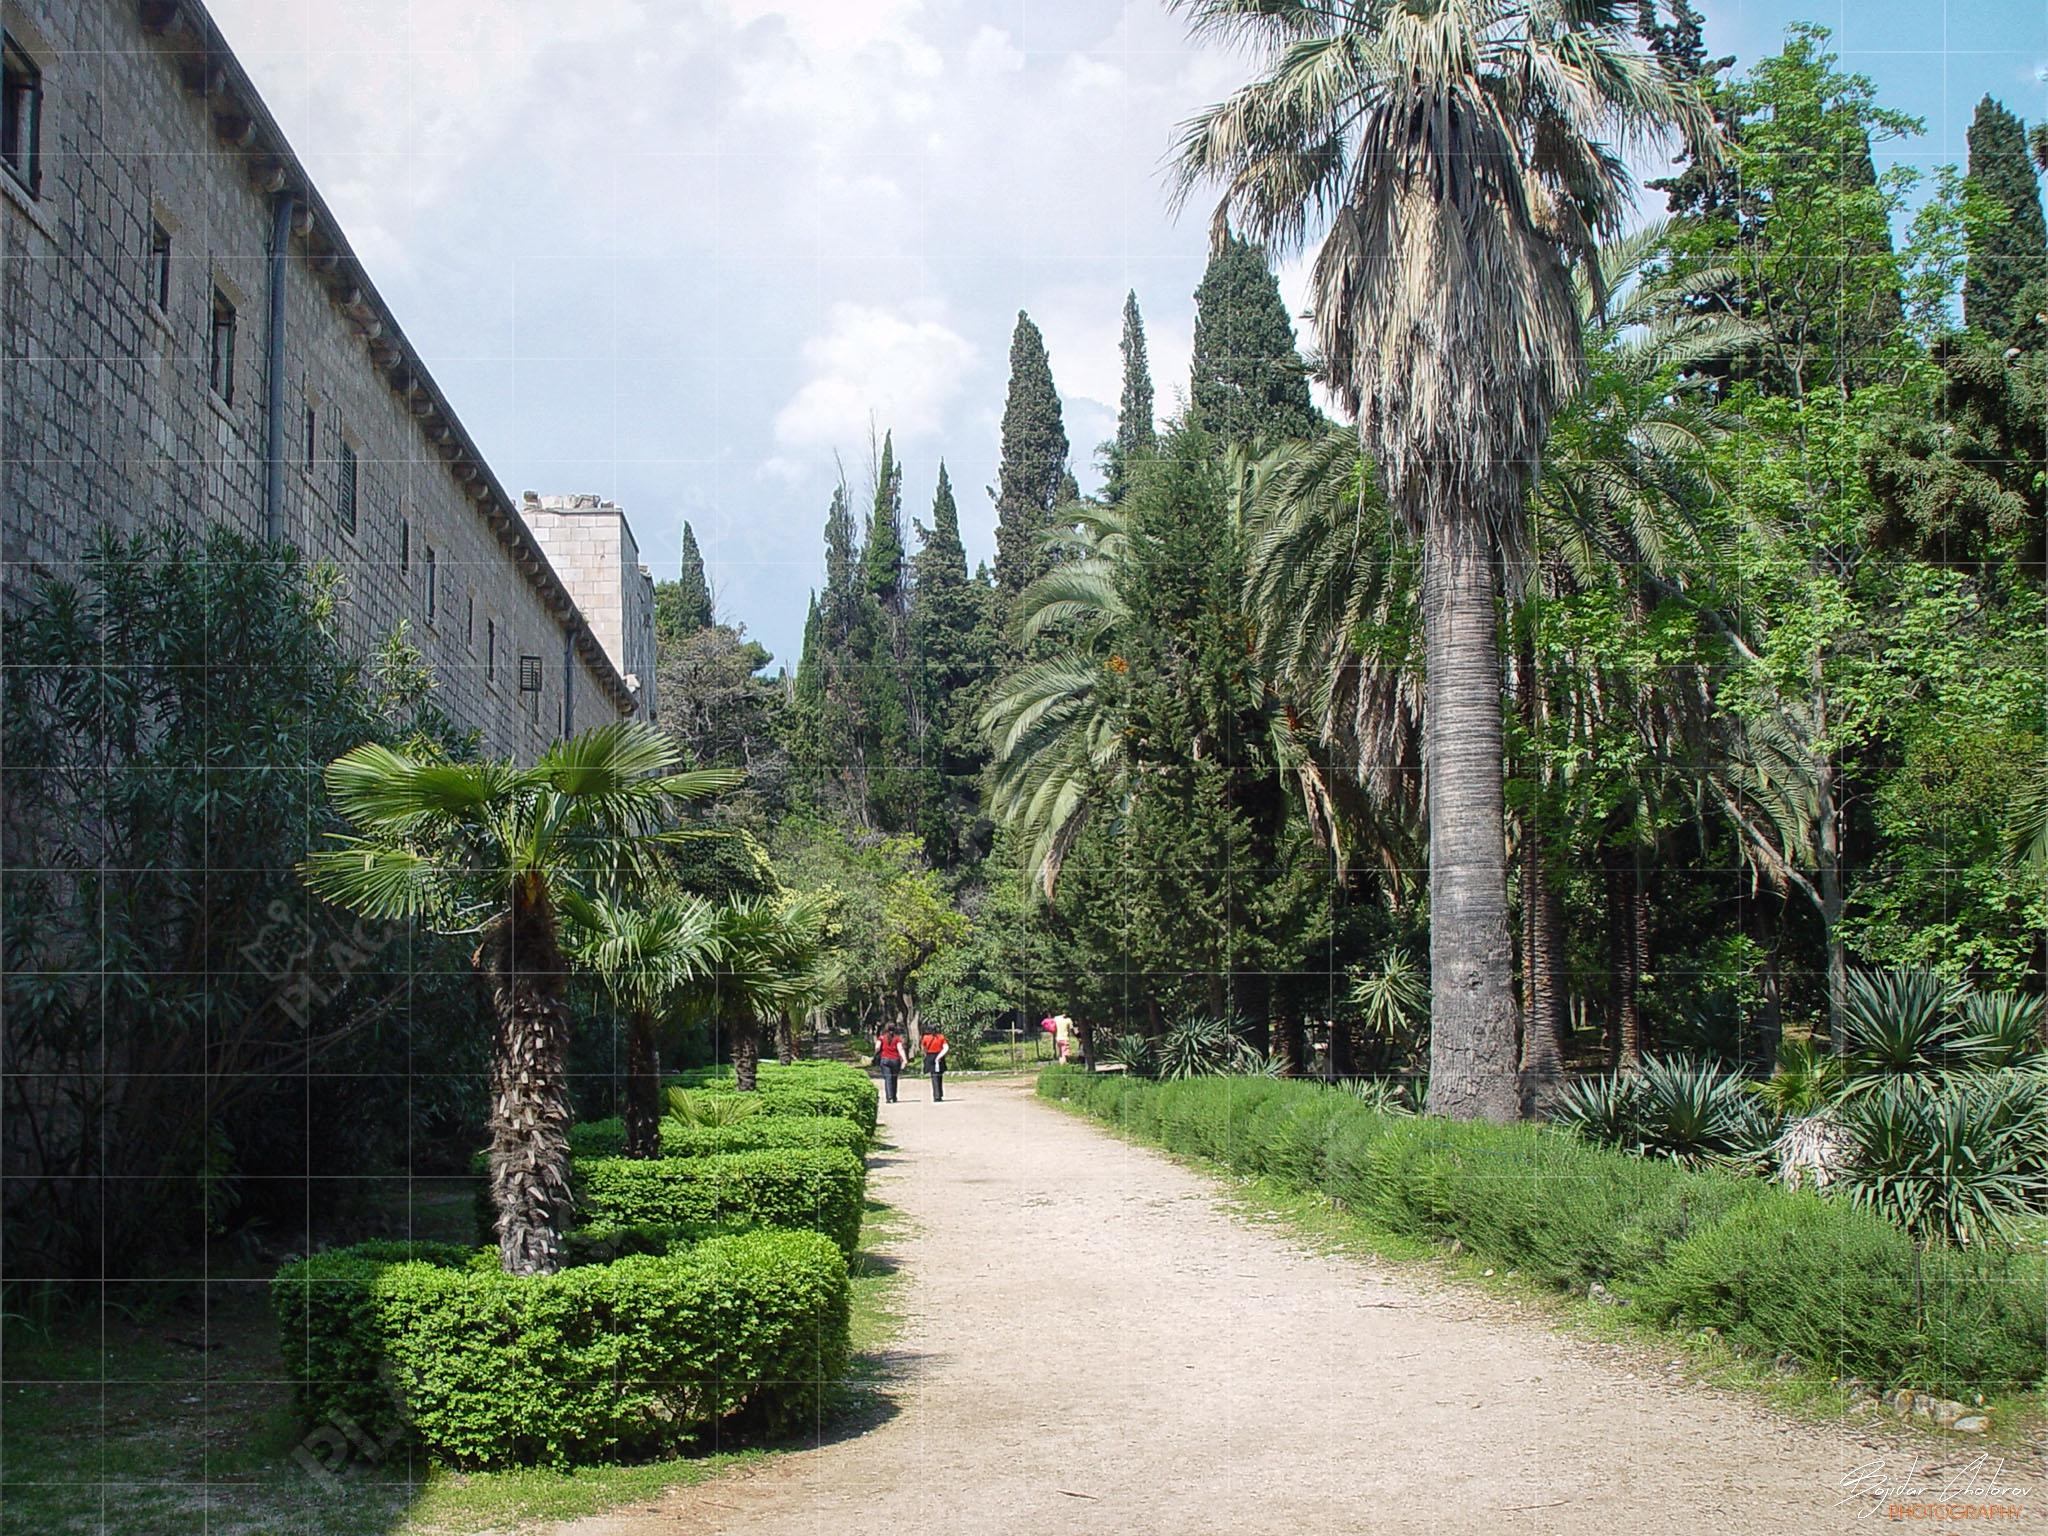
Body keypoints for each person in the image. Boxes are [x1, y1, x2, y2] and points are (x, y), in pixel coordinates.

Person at [875, 1025, 906, 1104]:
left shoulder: (881, 1038)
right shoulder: (897, 1038)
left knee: (888, 1078)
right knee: (894, 1078)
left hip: (885, 1059)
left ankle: (889, 1097)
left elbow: (877, 1047)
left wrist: (878, 1052)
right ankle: (894, 1096)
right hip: (895, 1060)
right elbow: (900, 1049)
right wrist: (904, 1060)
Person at [920, 1026, 949, 1101]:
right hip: (940, 1056)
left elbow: (923, 1047)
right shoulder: (941, 1037)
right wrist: (940, 1055)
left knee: (934, 1076)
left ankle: (936, 1095)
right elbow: (945, 1047)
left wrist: (926, 1054)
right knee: (939, 1076)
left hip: (930, 1056)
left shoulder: (926, 1037)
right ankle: (939, 1093)